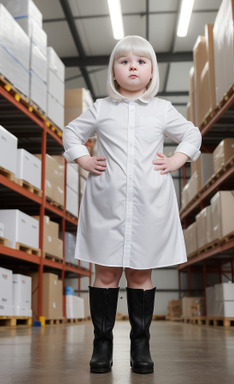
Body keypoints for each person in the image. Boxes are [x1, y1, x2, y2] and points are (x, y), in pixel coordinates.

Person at [63, 35, 202, 375]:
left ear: (152, 70)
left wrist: (176, 160)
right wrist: (83, 159)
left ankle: (141, 345)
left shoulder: (162, 109)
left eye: (141, 61)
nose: (133, 67)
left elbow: (192, 133)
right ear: (114, 71)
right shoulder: (101, 108)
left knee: (141, 273)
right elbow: (70, 131)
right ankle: (102, 346)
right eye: (124, 61)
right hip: (106, 201)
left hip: (148, 204)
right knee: (106, 273)